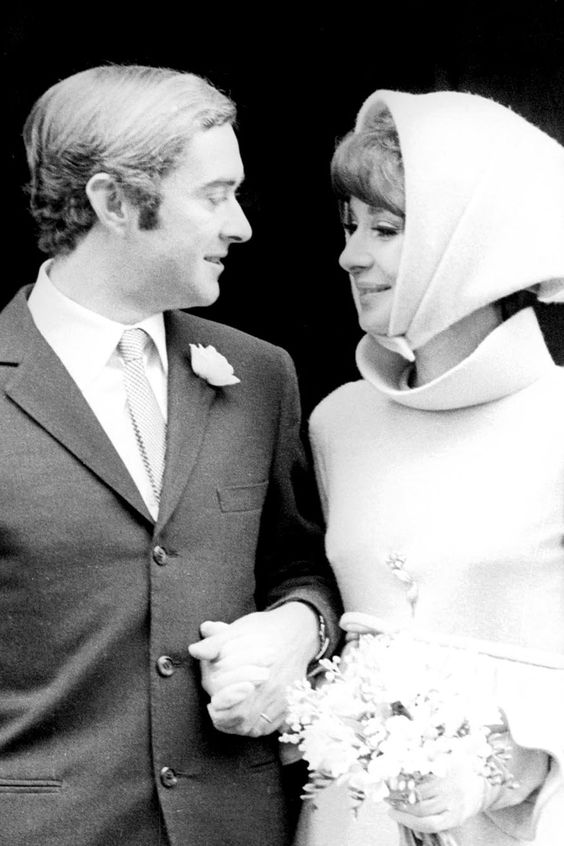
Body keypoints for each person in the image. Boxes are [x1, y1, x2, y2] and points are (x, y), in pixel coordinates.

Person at [0, 64, 342, 846]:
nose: (241, 226)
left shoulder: (259, 375)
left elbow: (301, 565)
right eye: (215, 195)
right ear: (114, 202)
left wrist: (301, 628)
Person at [294, 88, 564, 845]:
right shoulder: (337, 422)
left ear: (473, 244)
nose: (352, 255)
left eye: (385, 229)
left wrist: (502, 768)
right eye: (350, 226)